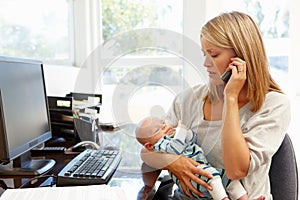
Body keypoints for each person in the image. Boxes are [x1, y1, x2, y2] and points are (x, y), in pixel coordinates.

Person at [140, 11, 291, 200]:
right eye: (204, 54)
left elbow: (236, 170)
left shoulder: (274, 104)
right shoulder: (188, 100)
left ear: (242, 57)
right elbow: (148, 151)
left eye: (214, 54)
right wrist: (173, 162)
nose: (205, 63)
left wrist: (231, 98)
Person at [136, 116, 248, 200]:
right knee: (212, 177)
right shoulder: (160, 145)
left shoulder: (173, 137)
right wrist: (180, 131)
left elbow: (193, 139)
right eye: (157, 130)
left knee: (229, 179)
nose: (164, 127)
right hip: (193, 177)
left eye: (163, 123)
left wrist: (187, 132)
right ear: (149, 145)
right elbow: (175, 149)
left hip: (202, 168)